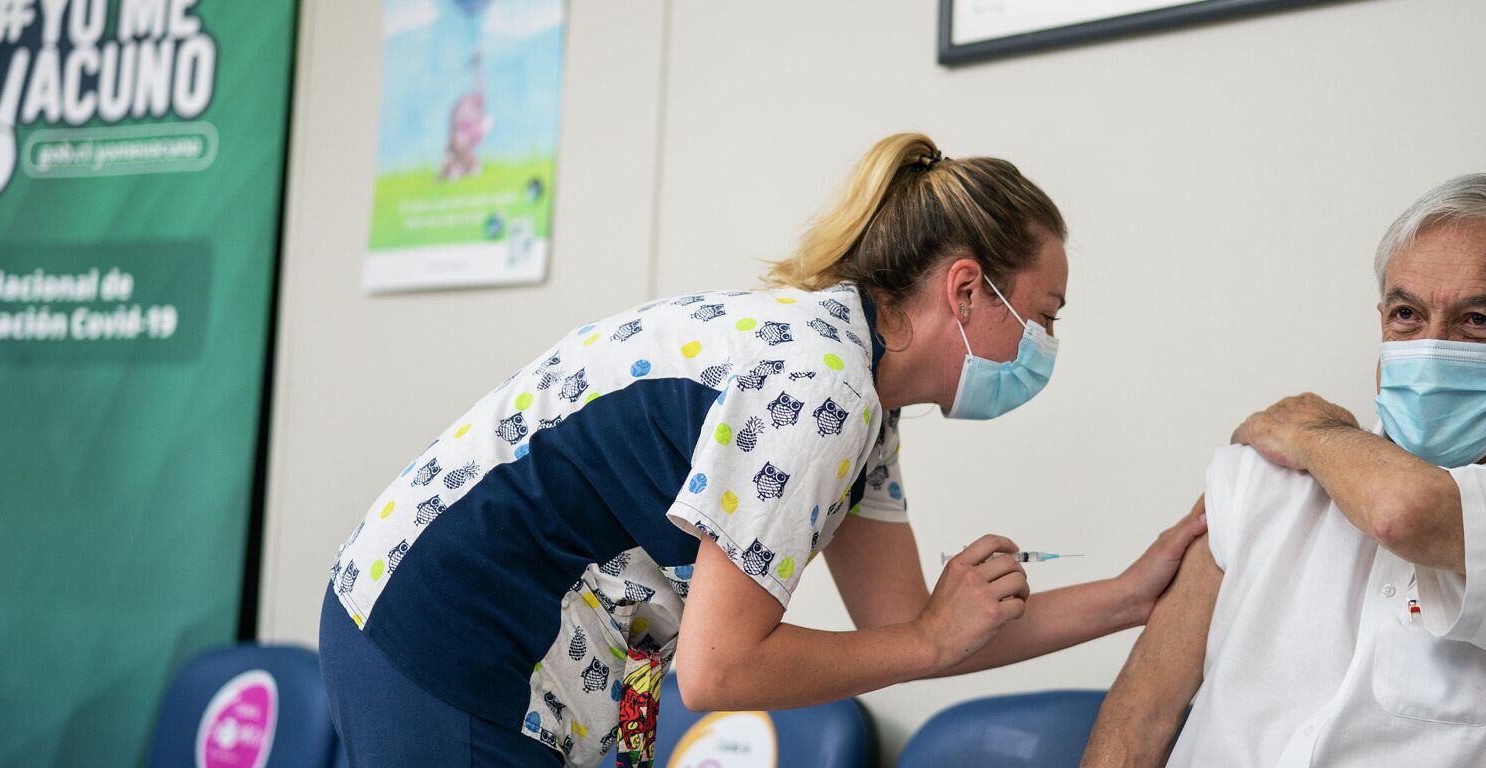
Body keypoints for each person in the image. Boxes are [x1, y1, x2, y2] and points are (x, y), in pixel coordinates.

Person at [319, 132, 1207, 767]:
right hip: (447, 632)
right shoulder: (820, 386)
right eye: (1044, 315)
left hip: (568, 655)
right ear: (968, 289)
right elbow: (720, 671)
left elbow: (903, 629)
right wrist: (931, 642)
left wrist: (1131, 595)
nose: (1046, 344)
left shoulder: (863, 398)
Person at [1081, 174, 1486, 767]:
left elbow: (1405, 511)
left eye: (1477, 320)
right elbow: (1142, 714)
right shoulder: (1266, 479)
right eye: (1407, 313)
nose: (1432, 346)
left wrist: (1311, 432)